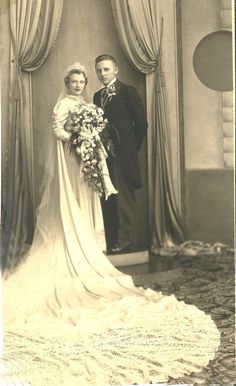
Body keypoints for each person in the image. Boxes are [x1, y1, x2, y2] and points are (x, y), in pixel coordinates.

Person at [2, 63, 220, 386]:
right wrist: (78, 136)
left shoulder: (92, 103)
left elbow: (128, 125)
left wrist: (93, 140)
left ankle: (94, 244)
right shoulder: (64, 104)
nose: (78, 85)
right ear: (68, 83)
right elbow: (57, 131)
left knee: (100, 201)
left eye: (81, 81)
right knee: (75, 206)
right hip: (72, 161)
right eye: (74, 81)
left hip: (87, 161)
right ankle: (77, 245)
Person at [94, 54, 148, 254]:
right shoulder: (97, 97)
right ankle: (112, 240)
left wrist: (130, 148)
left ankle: (127, 241)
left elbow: (141, 124)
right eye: (99, 70)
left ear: (115, 70)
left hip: (123, 154)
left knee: (125, 199)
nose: (102, 73)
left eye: (106, 69)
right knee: (109, 198)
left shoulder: (127, 91)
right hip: (104, 155)